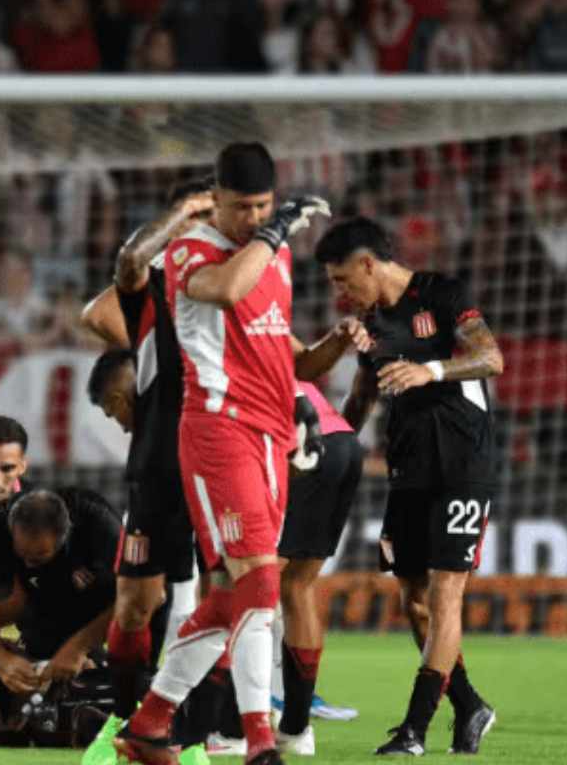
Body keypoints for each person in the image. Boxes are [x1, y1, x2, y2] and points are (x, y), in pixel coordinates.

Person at [114, 142, 326, 765]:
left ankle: (150, 723)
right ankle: (260, 739)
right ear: (218, 199)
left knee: (239, 594)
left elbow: (272, 344)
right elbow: (231, 292)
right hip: (216, 430)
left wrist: (298, 406)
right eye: (241, 207)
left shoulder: (275, 254)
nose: (254, 218)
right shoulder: (190, 251)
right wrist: (280, 227)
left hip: (269, 435)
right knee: (260, 579)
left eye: (264, 205)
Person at [314, 216, 501, 756]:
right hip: (408, 468)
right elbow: (360, 399)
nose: (339, 290)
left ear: (369, 263)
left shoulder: (441, 294)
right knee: (413, 601)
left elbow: (492, 358)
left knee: (446, 596)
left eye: (343, 279)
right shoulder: (368, 323)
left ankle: (414, 730)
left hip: (463, 463)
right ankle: (468, 704)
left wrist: (431, 371)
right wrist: (335, 448)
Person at [79, 177, 213, 758]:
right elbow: (116, 282)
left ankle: (205, 730)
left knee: (227, 597)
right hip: (159, 463)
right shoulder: (156, 287)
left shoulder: (245, 284)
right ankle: (123, 721)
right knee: (138, 603)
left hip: (221, 461)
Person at [271, 381, 364, 755]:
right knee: (297, 587)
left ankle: (232, 724)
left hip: (299, 446)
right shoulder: (274, 339)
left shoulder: (212, 350)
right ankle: (295, 729)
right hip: (343, 441)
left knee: (252, 586)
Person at [0, 488, 120, 698]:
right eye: (22, 555)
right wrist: (2, 660)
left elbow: (140, 597)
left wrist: (78, 648)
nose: (29, 563)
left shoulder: (100, 524)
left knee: (120, 680)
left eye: (38, 557)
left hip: (108, 596)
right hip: (43, 605)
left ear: (64, 537)